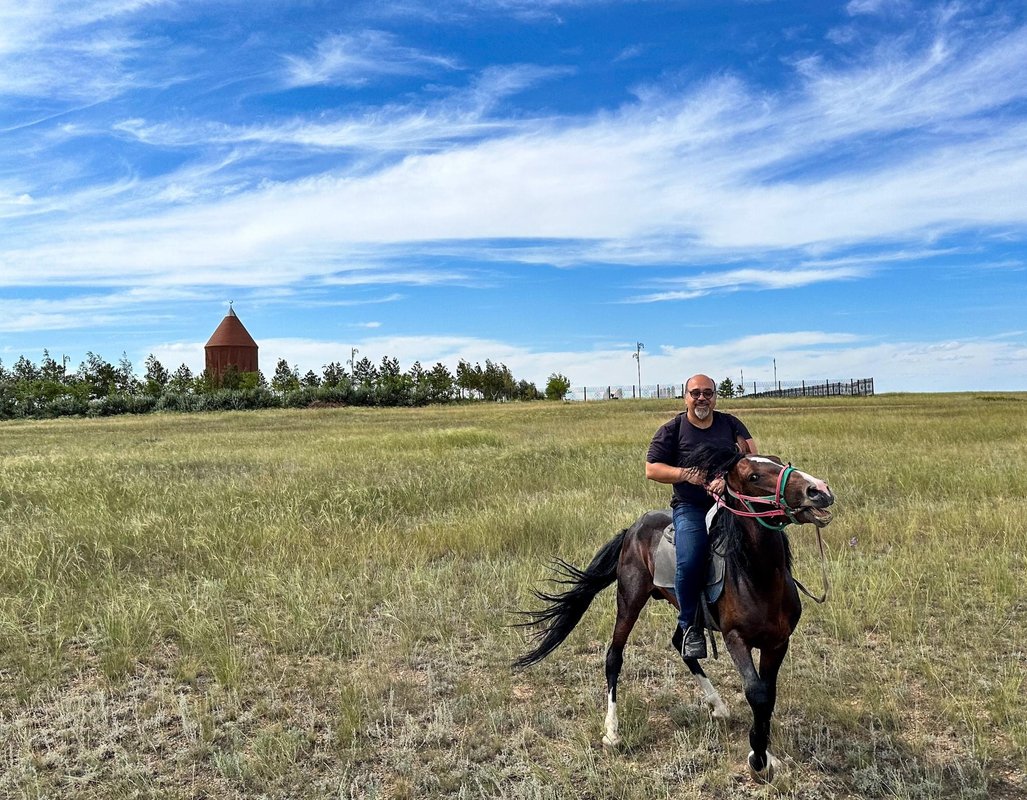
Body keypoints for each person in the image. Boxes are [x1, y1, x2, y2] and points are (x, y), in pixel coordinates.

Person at [645, 374, 757, 659]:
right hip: (691, 507)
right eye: (695, 393)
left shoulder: (730, 423)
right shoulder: (672, 430)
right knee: (692, 556)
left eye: (707, 393)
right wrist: (685, 475)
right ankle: (690, 627)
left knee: (763, 542)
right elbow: (652, 469)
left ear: (715, 397)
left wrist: (728, 479)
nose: (702, 399)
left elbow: (752, 456)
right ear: (686, 397)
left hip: (730, 503)